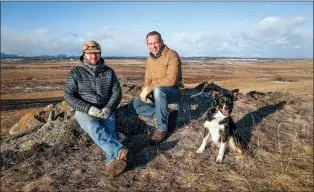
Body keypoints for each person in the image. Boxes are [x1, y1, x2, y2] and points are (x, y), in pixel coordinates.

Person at [64, 40, 130, 178]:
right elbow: (69, 95)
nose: (93, 56)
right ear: (84, 54)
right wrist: (88, 109)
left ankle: (112, 164)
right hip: (85, 111)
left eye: (96, 53)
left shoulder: (109, 72)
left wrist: (108, 108)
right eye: (89, 53)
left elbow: (116, 92)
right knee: (93, 127)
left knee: (110, 132)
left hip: (105, 109)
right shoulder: (75, 72)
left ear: (100, 53)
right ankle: (119, 151)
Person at [128, 31, 183, 145]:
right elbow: (148, 78)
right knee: (134, 105)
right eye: (150, 43)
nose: (153, 46)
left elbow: (171, 80)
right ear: (147, 45)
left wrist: (152, 86)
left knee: (159, 90)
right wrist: (145, 90)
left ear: (161, 42)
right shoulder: (149, 59)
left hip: (172, 92)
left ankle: (162, 129)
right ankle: (164, 113)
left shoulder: (172, 55)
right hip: (156, 92)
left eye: (156, 43)